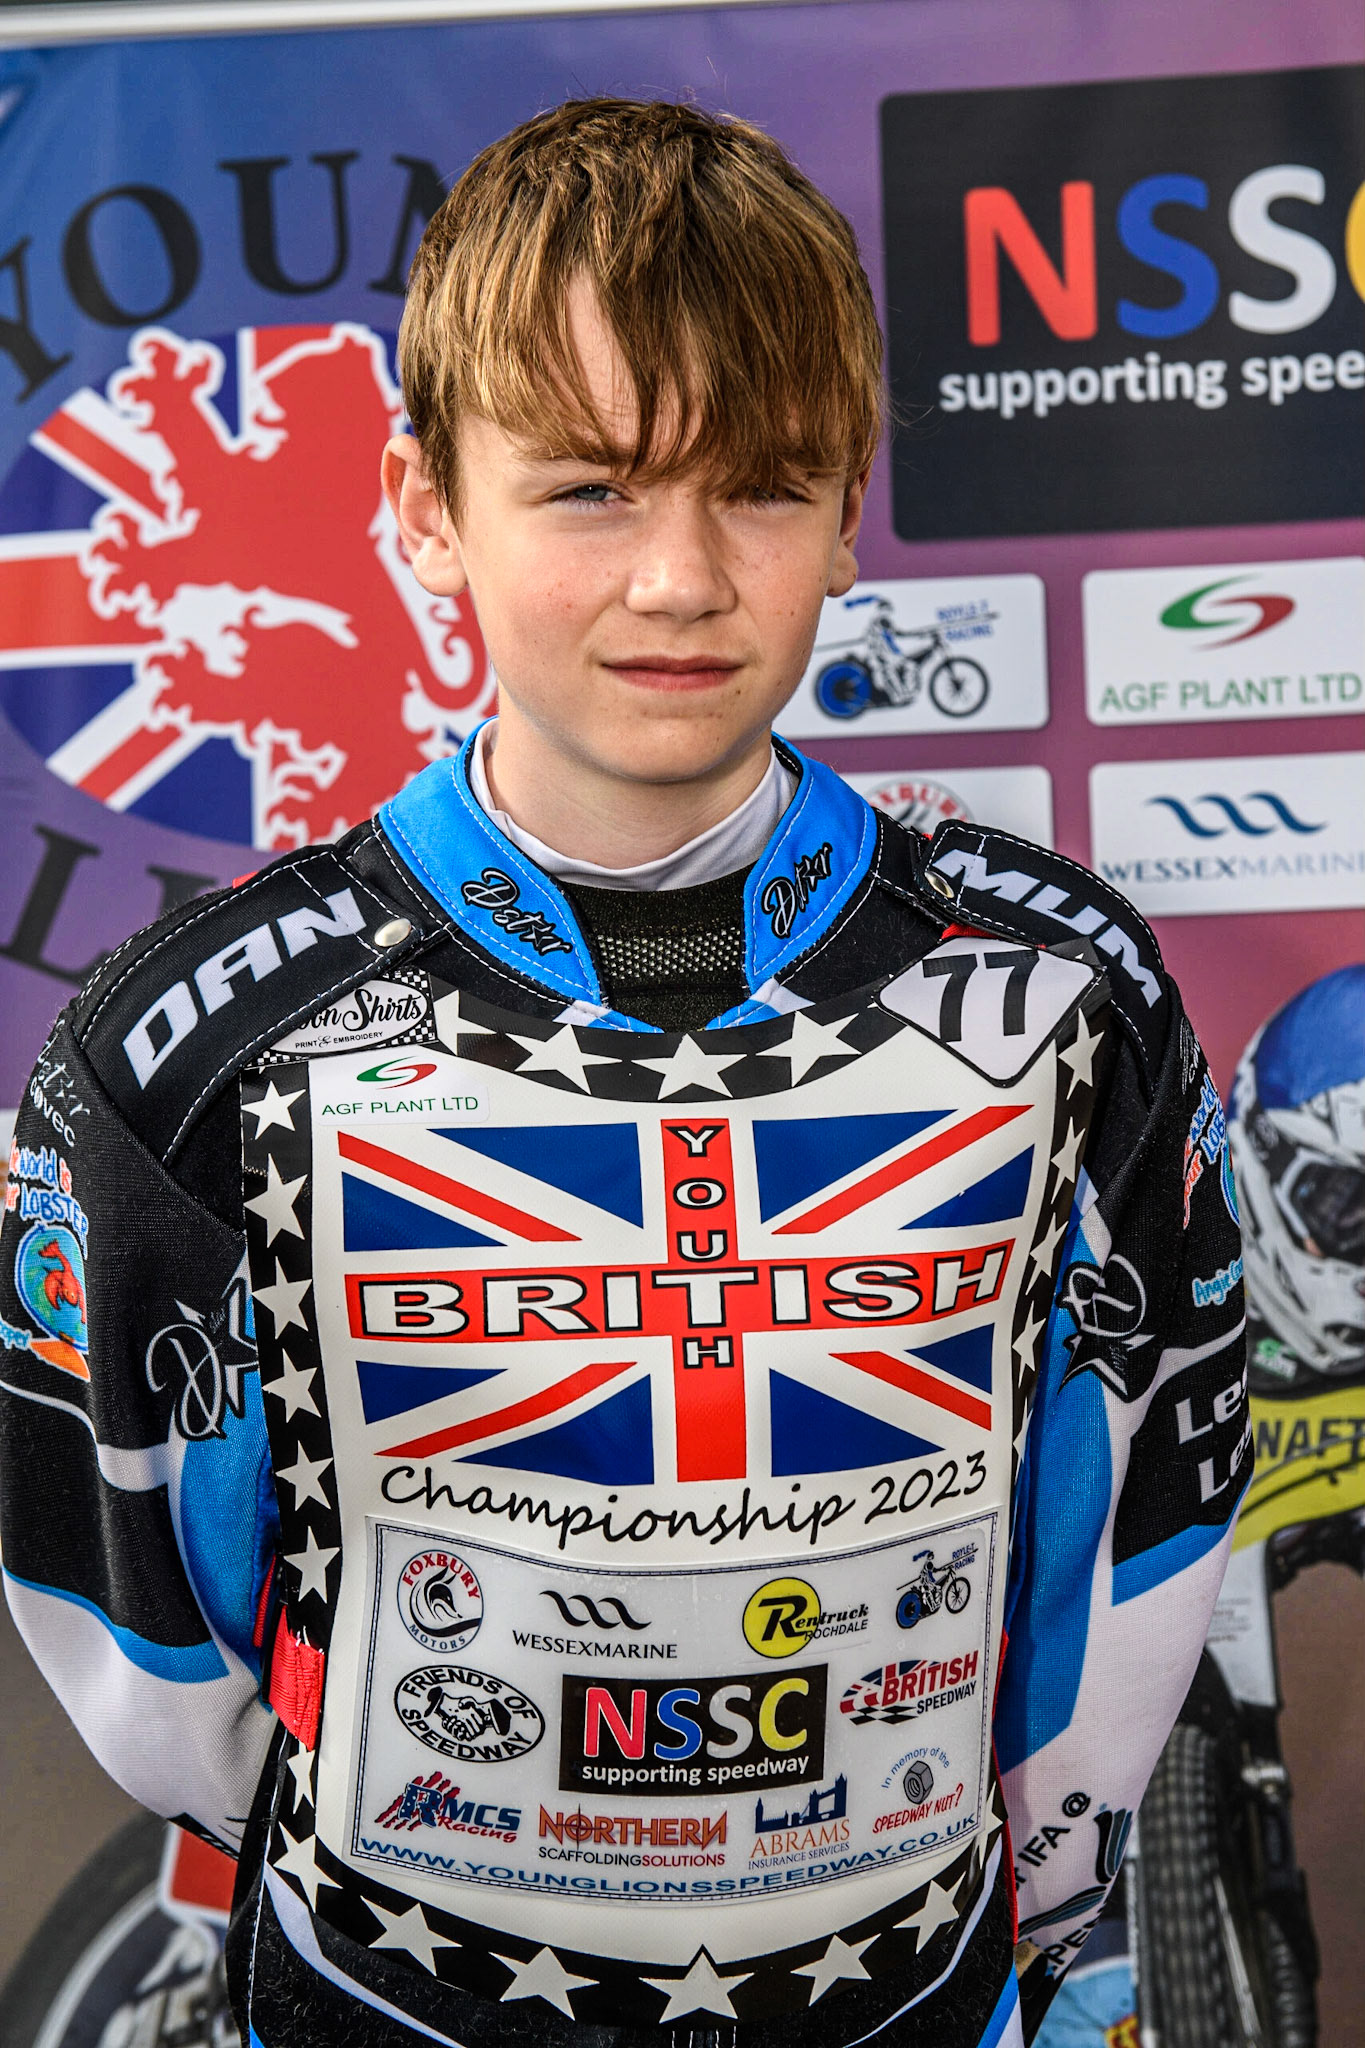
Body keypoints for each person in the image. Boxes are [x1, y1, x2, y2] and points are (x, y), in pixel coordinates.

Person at [0, 99, 1249, 2048]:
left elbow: (1138, 1520)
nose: (677, 578)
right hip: (378, 2004)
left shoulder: (1059, 989)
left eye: (756, 486)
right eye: (588, 486)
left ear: (850, 504)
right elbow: (136, 1635)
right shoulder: (177, 1047)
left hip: (916, 1996)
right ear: (424, 508)